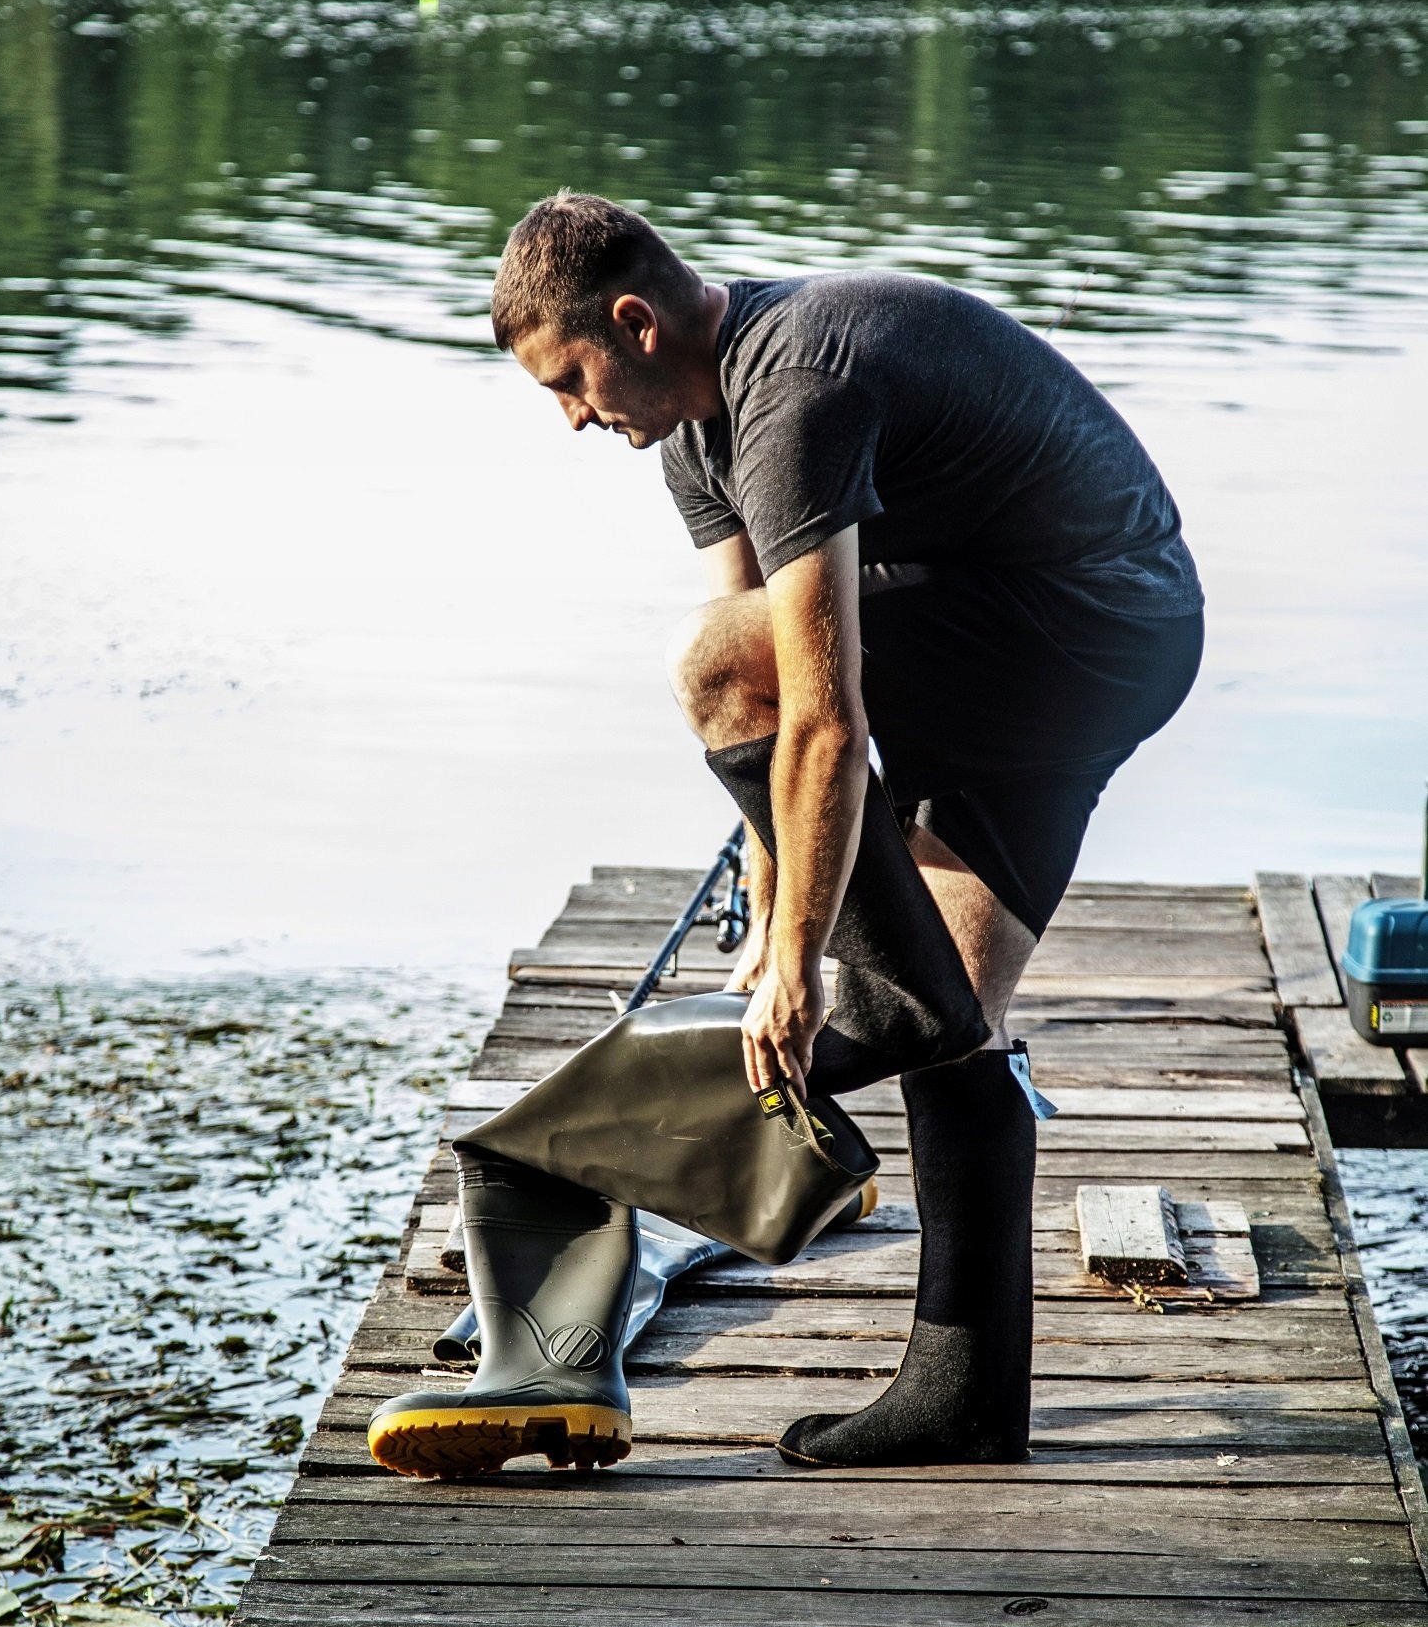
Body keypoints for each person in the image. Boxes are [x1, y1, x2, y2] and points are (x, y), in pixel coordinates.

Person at [483, 190, 1204, 1470]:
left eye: (570, 380)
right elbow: (764, 749)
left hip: (1084, 625)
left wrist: (792, 965)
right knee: (942, 1015)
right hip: (1062, 647)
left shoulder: (792, 390)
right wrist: (773, 933)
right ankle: (965, 1399)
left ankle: (618, 1142)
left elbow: (810, 716)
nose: (571, 417)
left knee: (705, 663)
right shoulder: (695, 441)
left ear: (633, 322)